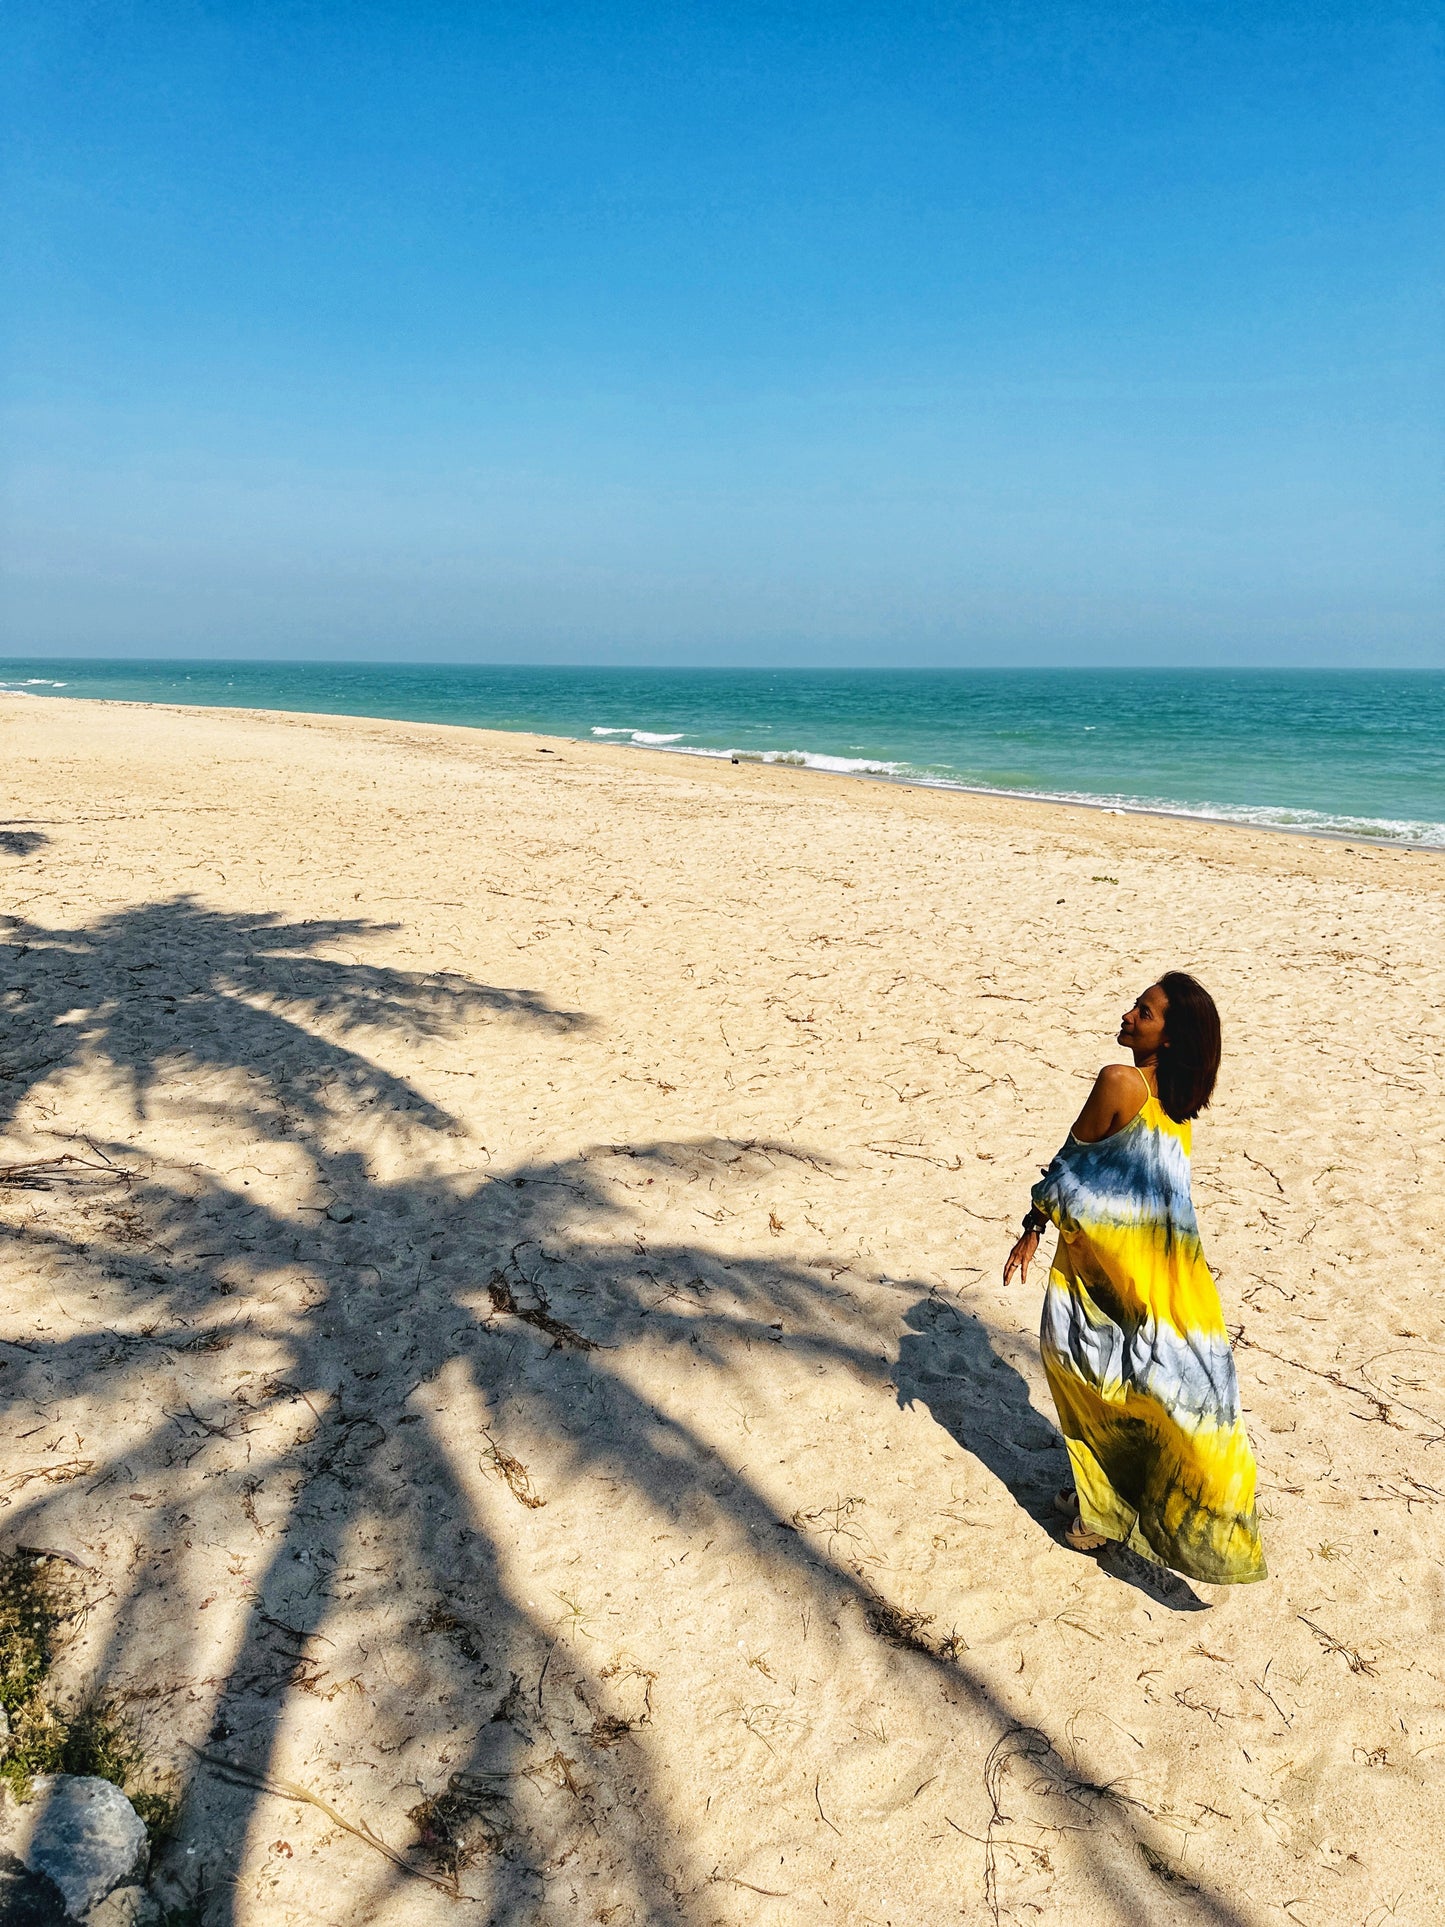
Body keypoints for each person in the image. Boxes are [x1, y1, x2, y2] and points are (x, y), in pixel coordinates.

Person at [1002, 973, 1266, 1584]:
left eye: (1143, 1013)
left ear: (1167, 1039)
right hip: (1173, 1278)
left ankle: (1107, 1510)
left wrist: (1032, 1226)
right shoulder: (1175, 1105)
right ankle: (1104, 1497)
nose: (1128, 1014)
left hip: (1115, 1275)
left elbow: (1071, 1166)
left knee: (1086, 1370)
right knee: (1142, 1386)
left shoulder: (1119, 1083)